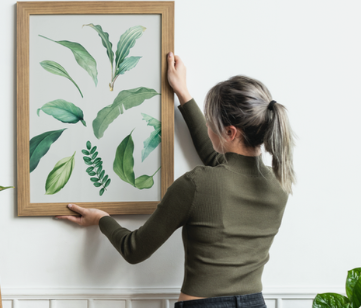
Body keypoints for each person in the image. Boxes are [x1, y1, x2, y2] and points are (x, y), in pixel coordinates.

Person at [55, 52, 295, 308]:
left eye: (211, 122)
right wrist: (182, 92)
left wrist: (101, 219)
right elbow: (219, 159)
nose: (208, 127)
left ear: (230, 132)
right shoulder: (279, 184)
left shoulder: (197, 185)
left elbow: (134, 250)